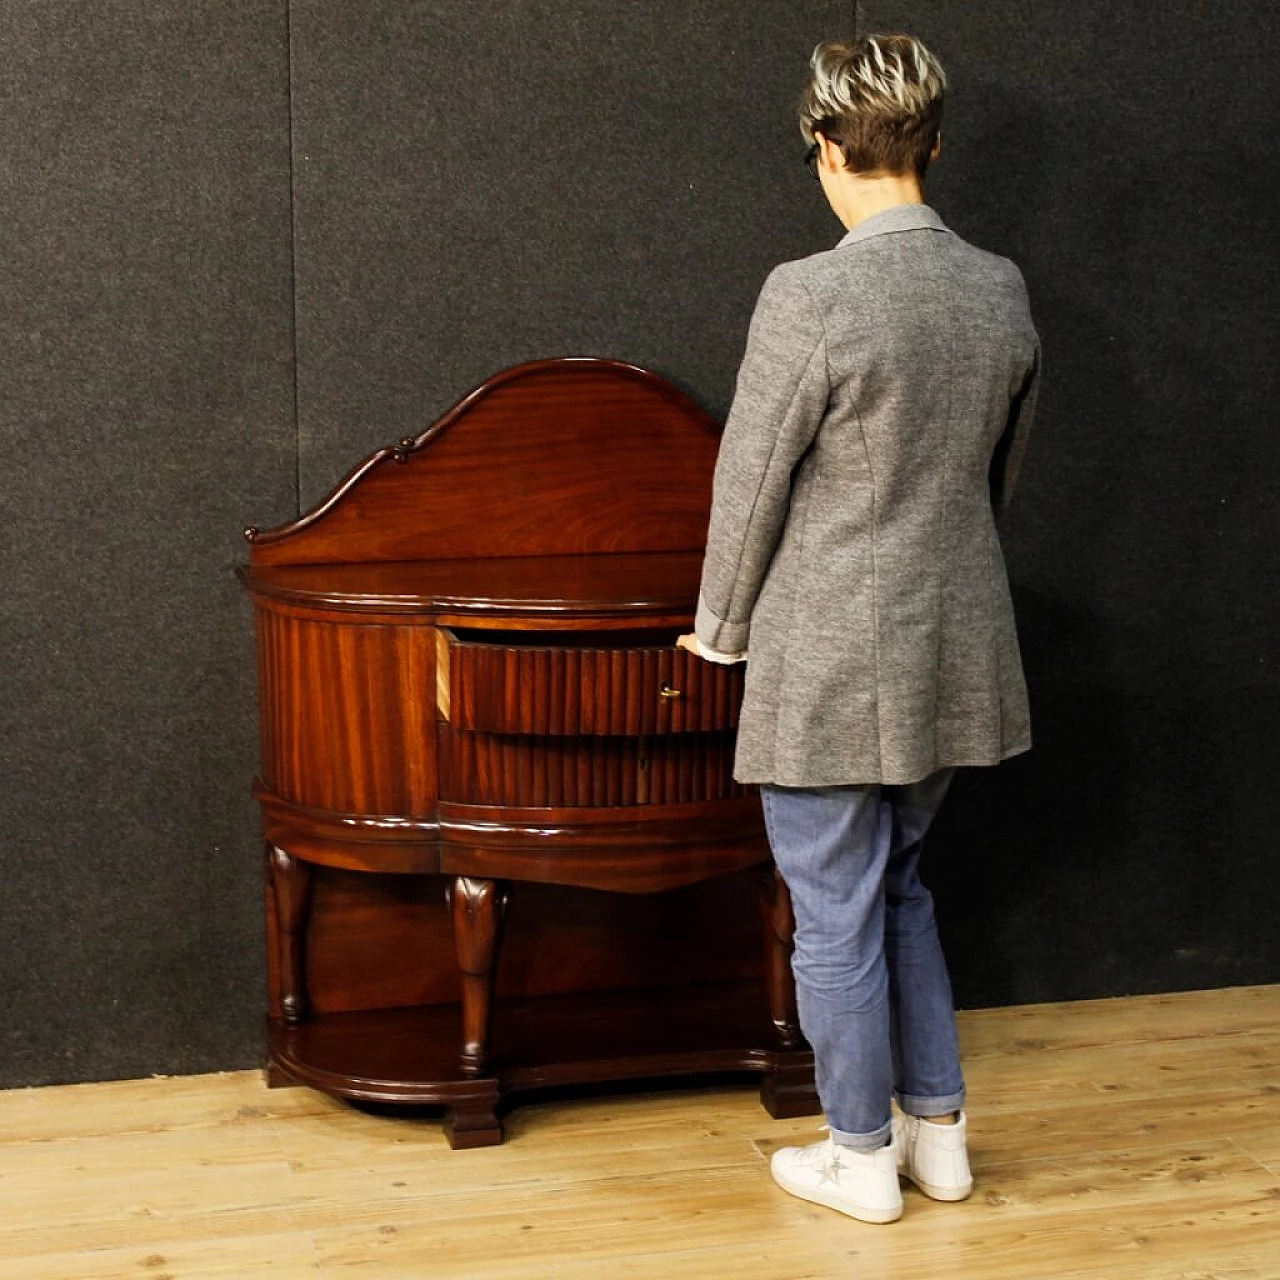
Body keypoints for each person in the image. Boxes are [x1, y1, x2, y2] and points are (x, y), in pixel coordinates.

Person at [676, 34, 1040, 1224]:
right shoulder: (997, 286)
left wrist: (717, 630)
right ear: (931, 146)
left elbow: (751, 479)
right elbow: (998, 480)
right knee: (900, 891)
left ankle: (856, 1152)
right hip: (954, 640)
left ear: (824, 147)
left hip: (832, 653)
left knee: (832, 909)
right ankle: (939, 1138)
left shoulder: (811, 292)